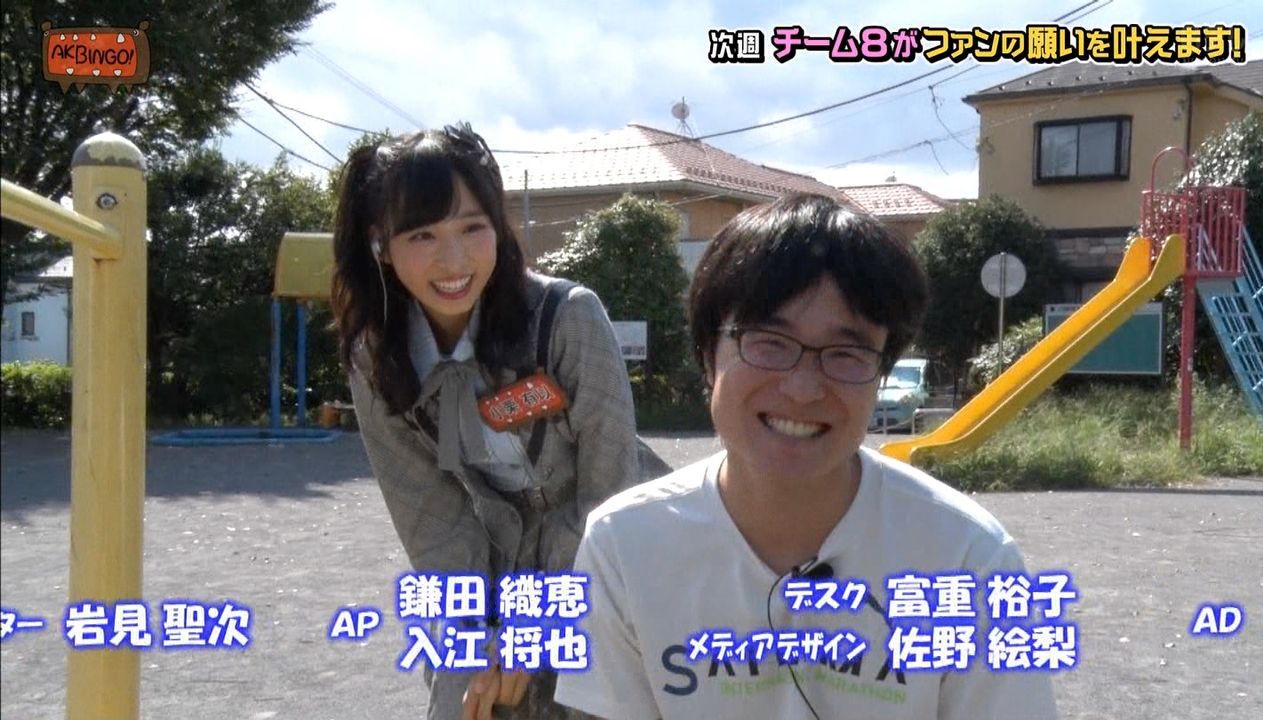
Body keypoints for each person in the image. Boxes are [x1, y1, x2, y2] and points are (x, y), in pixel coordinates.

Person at [555, 194, 1059, 719]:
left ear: (881, 373)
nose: (802, 388)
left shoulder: (968, 556)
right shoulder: (626, 543)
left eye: (846, 354)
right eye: (769, 342)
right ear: (708, 357)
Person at [331, 124, 644, 720]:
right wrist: (474, 639)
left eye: (472, 228)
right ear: (380, 244)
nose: (454, 261)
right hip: (494, 569)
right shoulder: (377, 358)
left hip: (610, 558)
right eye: (422, 235)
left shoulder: (566, 319)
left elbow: (611, 496)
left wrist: (539, 628)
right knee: (466, 690)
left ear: (498, 227)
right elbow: (433, 523)